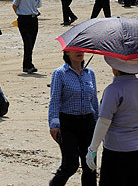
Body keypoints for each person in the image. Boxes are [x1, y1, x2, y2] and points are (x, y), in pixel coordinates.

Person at [86, 56, 138, 185]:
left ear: (116, 68)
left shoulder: (113, 90)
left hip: (118, 153)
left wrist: (92, 149)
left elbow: (104, 122)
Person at [48, 51, 98, 185]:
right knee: (70, 165)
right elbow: (55, 100)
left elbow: (94, 101)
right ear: (67, 52)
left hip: (88, 123)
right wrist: (54, 124)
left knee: (90, 165)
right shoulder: (60, 73)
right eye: (75, 49)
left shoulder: (90, 73)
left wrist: (99, 124)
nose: (79, 52)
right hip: (68, 124)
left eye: (81, 49)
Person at [12, 0, 41, 74]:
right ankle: (28, 65)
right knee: (27, 43)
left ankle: (27, 65)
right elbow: (14, 5)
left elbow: (37, 6)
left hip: (34, 19)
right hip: (23, 20)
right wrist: (20, 15)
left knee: (31, 43)